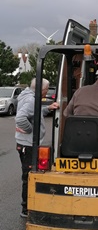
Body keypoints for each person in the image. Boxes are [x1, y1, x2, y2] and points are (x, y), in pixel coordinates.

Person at [15, 78, 60, 218]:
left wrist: (47, 108)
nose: (47, 92)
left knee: (29, 174)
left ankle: (28, 205)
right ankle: (26, 208)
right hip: (28, 144)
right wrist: (31, 130)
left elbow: (34, 112)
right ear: (41, 89)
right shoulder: (31, 100)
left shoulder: (28, 96)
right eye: (46, 90)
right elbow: (20, 118)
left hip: (24, 142)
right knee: (28, 176)